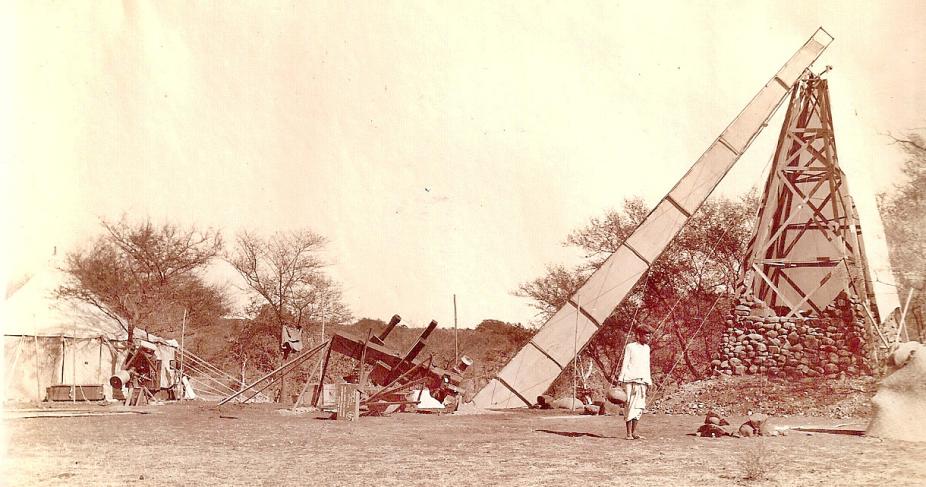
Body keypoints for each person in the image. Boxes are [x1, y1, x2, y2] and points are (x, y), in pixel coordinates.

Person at [618, 325, 653, 440]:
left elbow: (647, 366)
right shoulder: (630, 347)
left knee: (639, 407)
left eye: (649, 336)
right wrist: (620, 379)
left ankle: (634, 432)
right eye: (646, 335)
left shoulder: (647, 348)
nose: (648, 338)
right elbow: (625, 362)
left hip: (642, 381)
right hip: (630, 380)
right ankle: (628, 433)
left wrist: (649, 381)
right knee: (630, 406)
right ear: (639, 335)